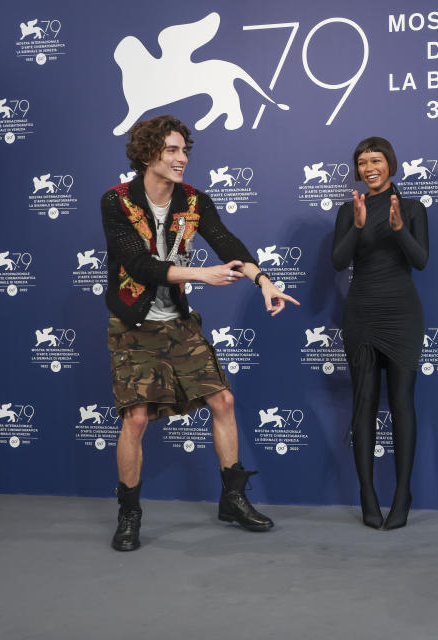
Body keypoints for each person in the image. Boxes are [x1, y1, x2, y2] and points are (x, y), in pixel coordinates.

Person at [102, 114, 299, 551]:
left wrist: (262, 280)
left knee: (223, 399)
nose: (181, 158)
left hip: (177, 320)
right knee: (135, 418)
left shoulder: (193, 199)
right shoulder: (116, 201)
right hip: (134, 325)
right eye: (171, 150)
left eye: (184, 150)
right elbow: (138, 264)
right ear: (148, 153)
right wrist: (200, 275)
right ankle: (129, 513)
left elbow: (226, 242)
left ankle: (232, 498)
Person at [332, 137, 428, 530]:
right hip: (361, 314)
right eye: (362, 162)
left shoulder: (411, 208)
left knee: (402, 403)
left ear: (390, 163)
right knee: (364, 403)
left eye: (377, 160)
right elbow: (339, 262)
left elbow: (420, 261)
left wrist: (400, 229)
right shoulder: (348, 209)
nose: (370, 167)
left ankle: (402, 493)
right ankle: (367, 492)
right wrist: (356, 227)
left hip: (402, 314)